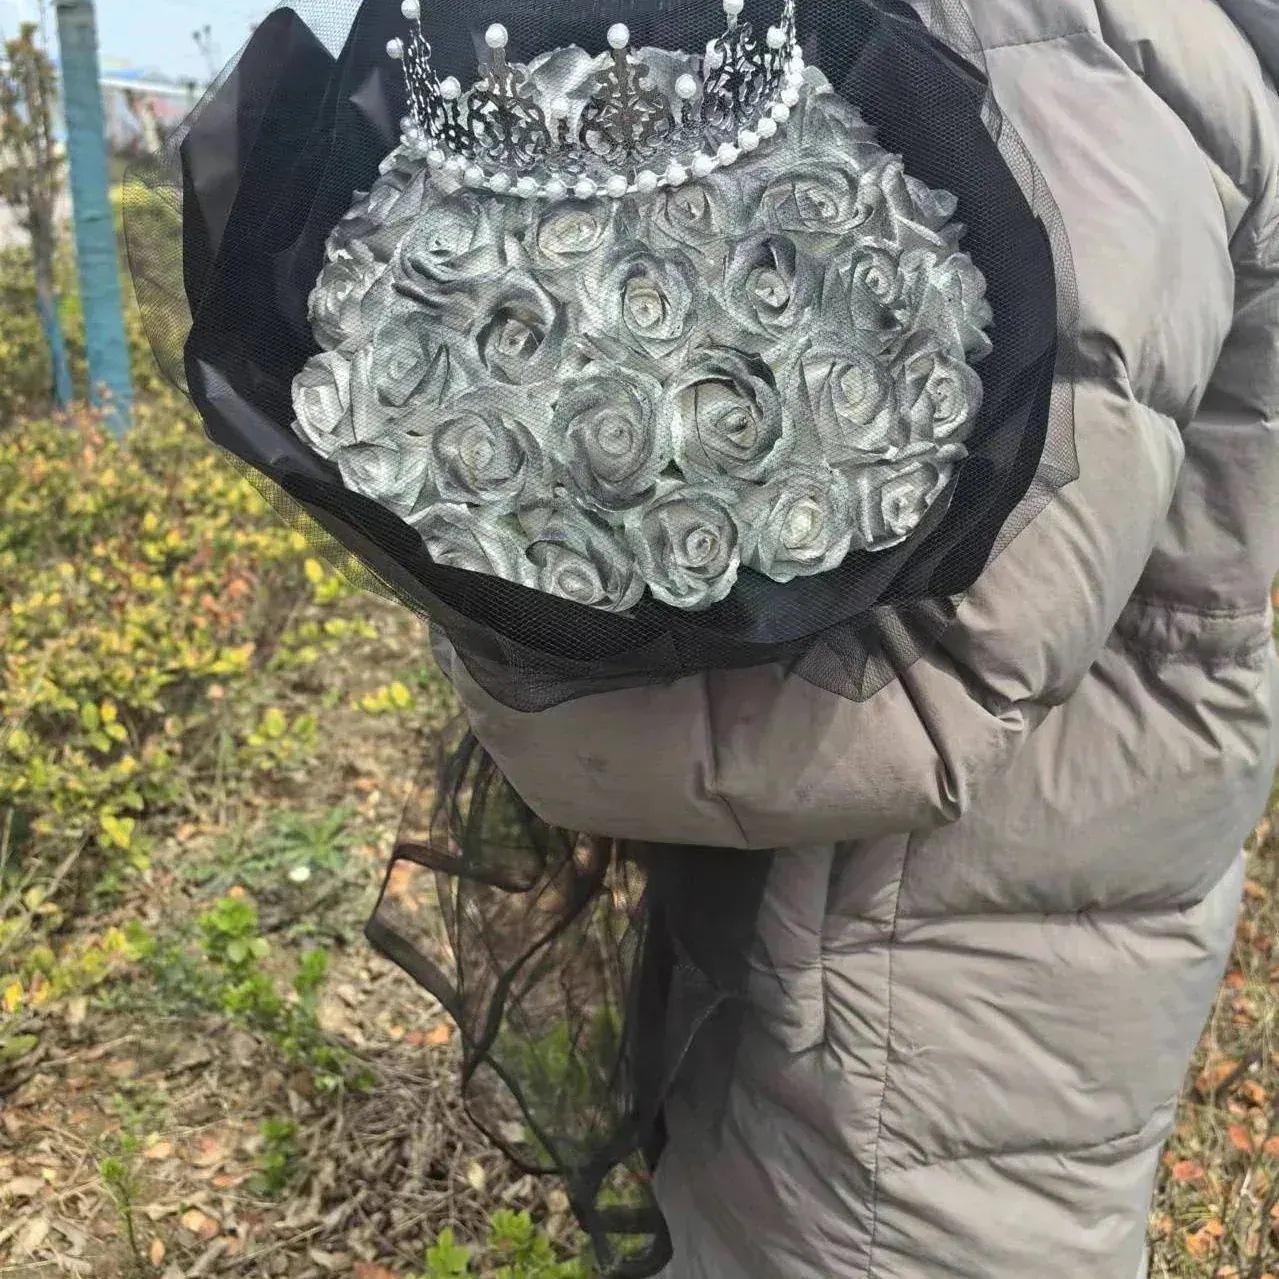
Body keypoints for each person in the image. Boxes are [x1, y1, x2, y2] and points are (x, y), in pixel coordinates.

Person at [429, 1, 1279, 1275]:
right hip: (928, 937)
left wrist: (494, 599)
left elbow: (919, 703)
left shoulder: (1064, 51)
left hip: (930, 975)